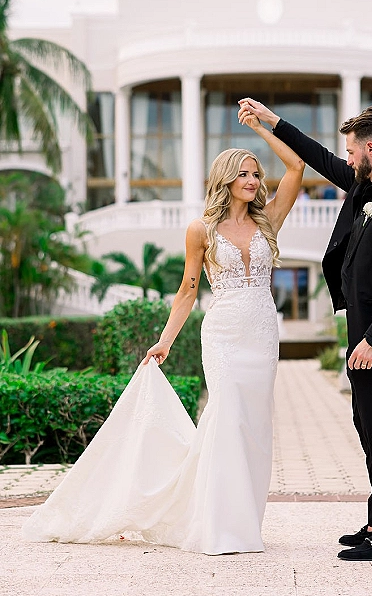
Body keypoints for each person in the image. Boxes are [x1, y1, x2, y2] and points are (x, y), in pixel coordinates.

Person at [22, 115, 304, 555]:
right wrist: (166, 341)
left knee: (254, 426)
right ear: (225, 179)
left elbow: (297, 169)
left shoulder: (267, 220)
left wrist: (261, 131)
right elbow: (188, 290)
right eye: (243, 173)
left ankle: (245, 522)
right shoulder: (201, 230)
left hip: (263, 335)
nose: (252, 180)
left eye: (255, 173)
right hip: (224, 335)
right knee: (228, 419)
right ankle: (218, 527)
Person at [239, 98, 372, 562]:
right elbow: (318, 157)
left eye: (350, 153)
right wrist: (270, 120)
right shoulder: (366, 189)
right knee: (366, 424)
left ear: (370, 149)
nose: (345, 161)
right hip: (361, 329)